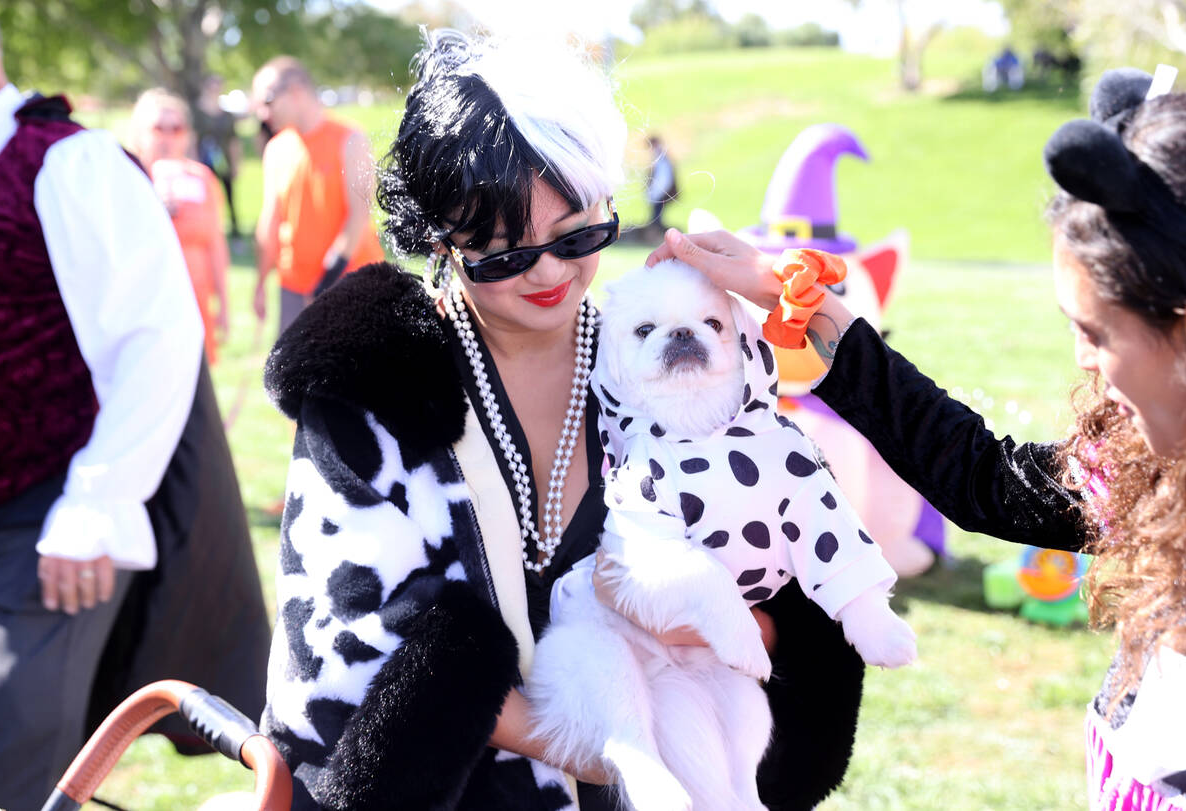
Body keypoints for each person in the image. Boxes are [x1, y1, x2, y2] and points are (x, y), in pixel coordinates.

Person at [259, 28, 867, 811]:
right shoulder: (372, 380)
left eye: (578, 233)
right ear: (439, 238)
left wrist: (725, 628)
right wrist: (612, 752)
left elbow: (789, 572)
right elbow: (345, 650)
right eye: (502, 250)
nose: (548, 270)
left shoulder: (652, 356)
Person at [649, 67, 1186, 809]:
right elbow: (983, 478)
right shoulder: (1143, 464)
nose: (1083, 362)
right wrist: (797, 301)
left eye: (1096, 333)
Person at [0, 6, 270, 807]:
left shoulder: (65, 163)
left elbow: (156, 339)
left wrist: (95, 503)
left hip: (41, 512)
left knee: (5, 742)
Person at [251, 56, 384, 336]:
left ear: (295, 90)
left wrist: (324, 283)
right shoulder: (276, 148)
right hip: (294, 287)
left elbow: (358, 219)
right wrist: (260, 282)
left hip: (351, 283)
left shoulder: (350, 140)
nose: (263, 113)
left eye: (267, 101)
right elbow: (270, 221)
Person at [131, 87, 231, 365]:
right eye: (158, 128)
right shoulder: (130, 179)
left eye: (176, 128)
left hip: (195, 300)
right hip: (149, 307)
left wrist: (223, 303)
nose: (168, 137)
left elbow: (215, 242)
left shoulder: (201, 177)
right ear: (140, 133)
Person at [195, 74, 242, 237]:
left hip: (224, 160)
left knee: (229, 195)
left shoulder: (227, 115)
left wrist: (236, 163)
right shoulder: (197, 113)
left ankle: (235, 229)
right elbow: (192, 139)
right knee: (206, 197)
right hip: (204, 161)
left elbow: (234, 140)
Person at [645, 134, 677, 231]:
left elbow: (662, 176)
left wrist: (656, 191)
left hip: (660, 189)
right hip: (659, 189)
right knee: (656, 213)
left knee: (657, 214)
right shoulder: (660, 156)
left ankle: (656, 232)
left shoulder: (661, 158)